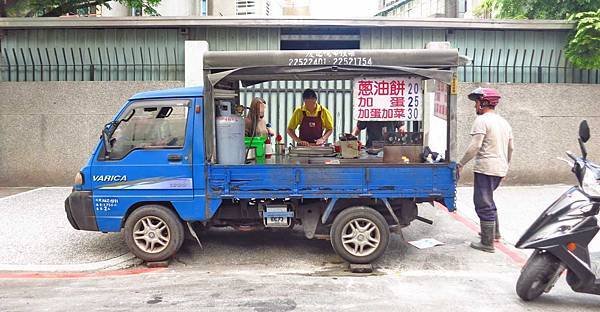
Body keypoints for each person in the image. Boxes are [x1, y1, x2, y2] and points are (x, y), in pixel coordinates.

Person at [457, 87, 514, 253]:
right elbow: (511, 148)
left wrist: (461, 163)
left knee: (483, 203)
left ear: (483, 103)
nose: (475, 107)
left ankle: (487, 243)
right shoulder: (504, 122)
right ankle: (494, 234)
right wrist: (505, 167)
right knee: (488, 200)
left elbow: (475, 146)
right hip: (499, 168)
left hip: (486, 167)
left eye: (476, 103)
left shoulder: (482, 121)